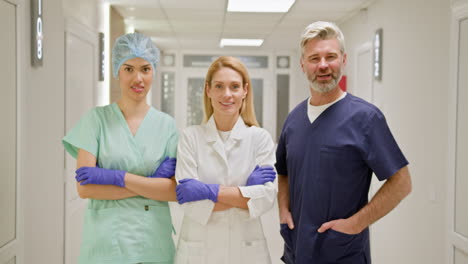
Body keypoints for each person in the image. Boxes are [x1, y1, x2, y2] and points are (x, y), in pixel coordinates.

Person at [276, 21, 412, 264]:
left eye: (331, 56)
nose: (323, 65)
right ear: (303, 64)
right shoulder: (294, 119)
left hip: (341, 253)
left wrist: (355, 224)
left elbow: (402, 183)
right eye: (314, 58)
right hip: (297, 251)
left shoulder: (365, 118)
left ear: (344, 59)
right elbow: (283, 172)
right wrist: (283, 210)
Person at [62, 33, 179, 264]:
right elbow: (85, 189)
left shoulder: (167, 125)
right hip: (106, 242)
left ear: (154, 70)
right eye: (129, 69)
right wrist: (150, 183)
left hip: (152, 240)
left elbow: (173, 191)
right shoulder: (96, 120)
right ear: (117, 71)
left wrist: (116, 178)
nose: (138, 78)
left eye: (145, 69)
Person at [173, 56, 277, 263]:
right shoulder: (190, 137)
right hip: (199, 250)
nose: (227, 94)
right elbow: (190, 204)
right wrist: (245, 193)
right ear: (208, 90)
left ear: (245, 90)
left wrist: (207, 191)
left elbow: (266, 198)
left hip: (246, 250)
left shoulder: (260, 138)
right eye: (219, 86)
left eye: (235, 86)